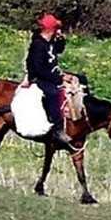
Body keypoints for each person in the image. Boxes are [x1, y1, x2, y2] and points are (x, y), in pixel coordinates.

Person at [25, 13, 73, 146]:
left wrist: (61, 39)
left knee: (80, 79)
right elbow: (38, 69)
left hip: (52, 75)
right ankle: (57, 129)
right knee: (53, 93)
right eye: (56, 28)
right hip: (40, 78)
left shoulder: (50, 42)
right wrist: (59, 78)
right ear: (50, 29)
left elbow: (59, 49)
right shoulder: (38, 45)